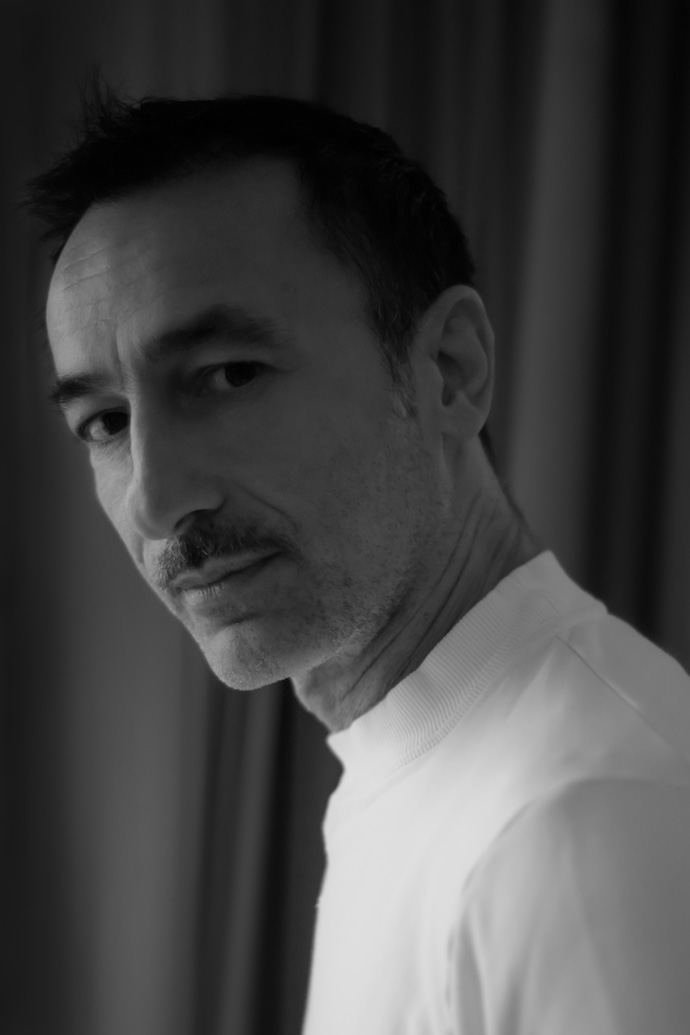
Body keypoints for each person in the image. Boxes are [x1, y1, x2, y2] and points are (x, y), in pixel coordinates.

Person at [25, 82, 690, 1034]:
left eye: (228, 375)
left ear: (449, 370)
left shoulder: (582, 825)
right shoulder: (435, 768)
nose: (155, 499)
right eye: (105, 422)